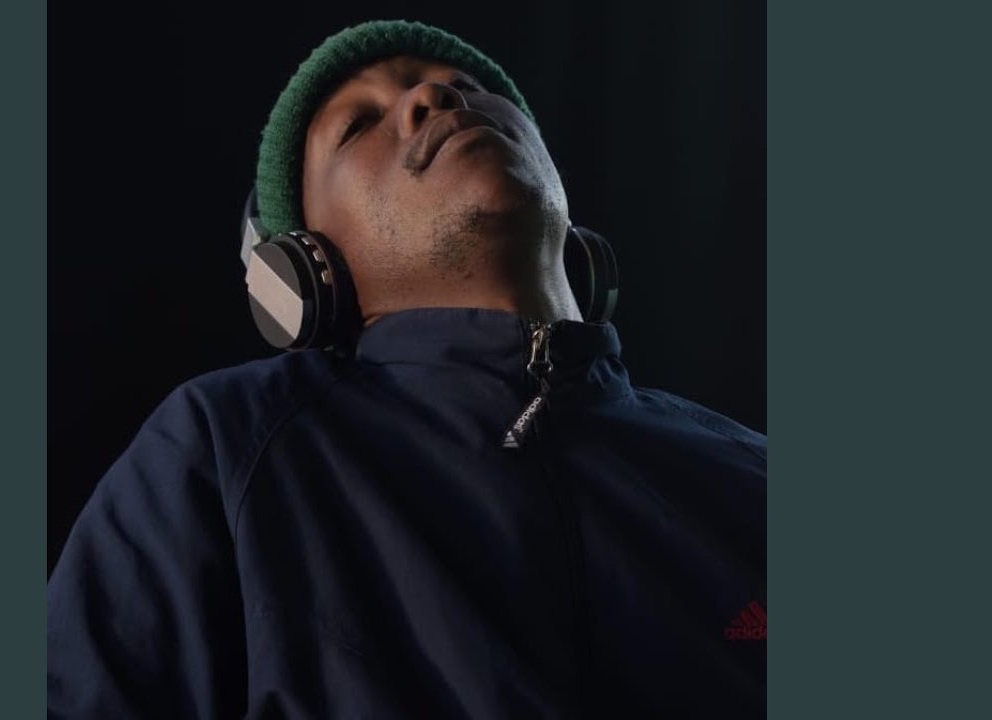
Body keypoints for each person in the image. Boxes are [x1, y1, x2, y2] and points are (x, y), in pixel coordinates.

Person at [48, 19, 765, 719]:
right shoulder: (223, 447)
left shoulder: (756, 477)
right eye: (359, 124)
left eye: (468, 86)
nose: (435, 97)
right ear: (302, 274)